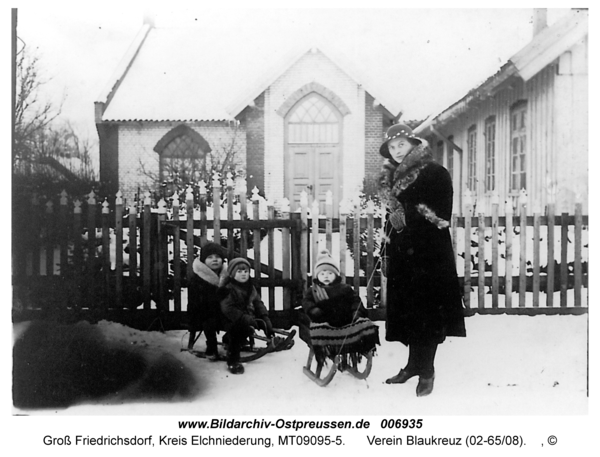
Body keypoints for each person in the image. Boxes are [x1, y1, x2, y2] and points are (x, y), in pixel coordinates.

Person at [378, 123, 466, 397]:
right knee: (410, 314)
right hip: (405, 256)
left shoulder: (435, 173)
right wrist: (388, 246)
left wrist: (407, 219)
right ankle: (413, 365)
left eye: (401, 144)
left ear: (414, 144)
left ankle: (426, 371)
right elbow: (393, 220)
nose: (397, 151)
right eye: (392, 147)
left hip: (429, 256)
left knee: (427, 314)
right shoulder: (392, 178)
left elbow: (441, 216)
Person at [220, 258, 274, 374]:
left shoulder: (251, 287)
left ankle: (228, 339)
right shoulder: (229, 288)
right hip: (229, 318)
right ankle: (232, 360)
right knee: (239, 330)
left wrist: (264, 317)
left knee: (250, 326)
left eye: (246, 271)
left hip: (246, 317)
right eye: (239, 272)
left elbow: (258, 303)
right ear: (232, 274)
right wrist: (246, 319)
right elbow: (227, 308)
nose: (243, 274)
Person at [302, 249, 366, 328]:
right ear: (317, 276)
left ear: (336, 275)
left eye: (330, 273)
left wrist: (357, 312)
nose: (326, 276)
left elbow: (355, 301)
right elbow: (306, 301)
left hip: (345, 321)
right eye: (322, 274)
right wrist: (313, 309)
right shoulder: (313, 291)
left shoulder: (345, 289)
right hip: (323, 322)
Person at [187, 242, 228, 359]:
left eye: (218, 257)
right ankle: (211, 345)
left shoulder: (226, 275)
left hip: (221, 311)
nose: (214, 260)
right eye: (210, 257)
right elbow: (196, 302)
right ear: (203, 261)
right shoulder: (198, 279)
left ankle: (231, 339)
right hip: (201, 312)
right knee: (209, 319)